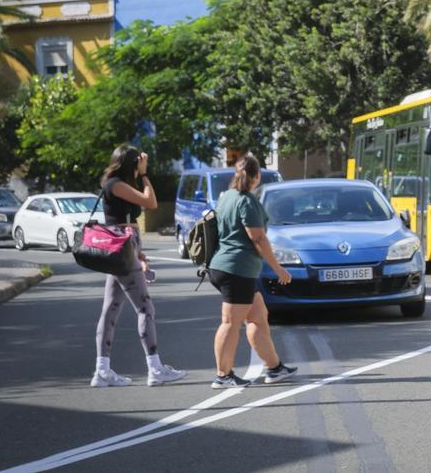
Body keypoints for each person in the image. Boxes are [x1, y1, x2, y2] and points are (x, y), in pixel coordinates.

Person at [91, 144, 187, 387]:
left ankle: (102, 371)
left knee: (110, 308)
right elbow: (151, 202)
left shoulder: (116, 184)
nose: (141, 167)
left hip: (124, 248)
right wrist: (144, 174)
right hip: (122, 250)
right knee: (145, 309)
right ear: (131, 164)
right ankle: (155, 368)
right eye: (138, 163)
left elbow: (127, 220)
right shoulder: (116, 184)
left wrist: (139, 252)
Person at [208, 153, 297, 389]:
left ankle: (274, 368)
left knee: (258, 317)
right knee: (230, 322)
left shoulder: (227, 197)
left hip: (226, 266)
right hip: (237, 270)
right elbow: (257, 237)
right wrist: (278, 269)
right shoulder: (246, 201)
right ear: (257, 176)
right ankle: (223, 375)